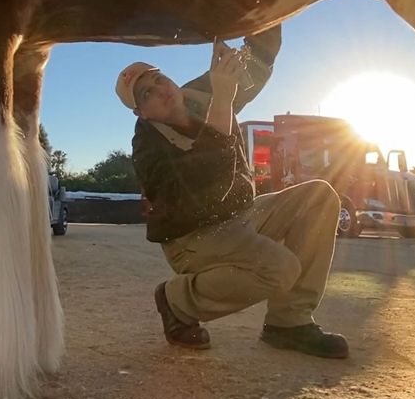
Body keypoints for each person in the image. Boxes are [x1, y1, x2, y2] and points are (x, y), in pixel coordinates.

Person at [114, 26, 348, 359]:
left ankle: (289, 323)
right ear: (141, 113)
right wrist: (224, 100)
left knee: (319, 197)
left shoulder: (199, 93)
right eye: (146, 94)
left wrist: (264, 13)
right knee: (280, 268)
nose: (161, 91)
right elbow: (202, 192)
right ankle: (177, 300)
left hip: (240, 215)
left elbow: (257, 58)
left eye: (159, 79)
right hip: (193, 237)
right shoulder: (147, 149)